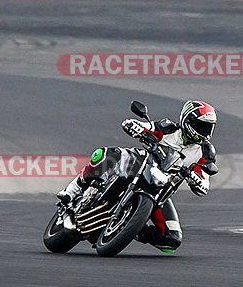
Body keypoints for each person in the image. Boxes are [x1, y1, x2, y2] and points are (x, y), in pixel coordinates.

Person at [57, 100, 218, 252]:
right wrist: (135, 127)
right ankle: (73, 190)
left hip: (160, 190)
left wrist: (196, 179)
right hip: (138, 164)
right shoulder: (168, 128)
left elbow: (204, 182)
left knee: (171, 239)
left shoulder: (205, 151)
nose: (205, 131)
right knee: (105, 154)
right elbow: (144, 125)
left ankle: (131, 228)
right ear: (188, 121)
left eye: (208, 127)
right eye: (201, 126)